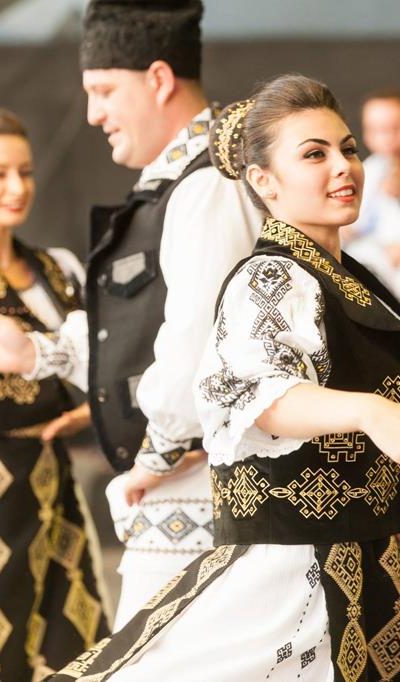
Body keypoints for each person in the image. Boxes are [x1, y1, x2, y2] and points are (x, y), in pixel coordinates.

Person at [46, 74, 400, 682]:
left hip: (370, 555)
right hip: (296, 573)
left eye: (346, 148)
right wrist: (369, 410)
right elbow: (256, 391)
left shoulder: (354, 276)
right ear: (263, 181)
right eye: (314, 154)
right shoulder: (269, 277)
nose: (343, 166)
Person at [0, 0, 260, 630]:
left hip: (195, 487)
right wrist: (40, 352)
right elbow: (140, 332)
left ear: (159, 79)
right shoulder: (182, 182)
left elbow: (197, 348)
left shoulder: (208, 183)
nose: (94, 113)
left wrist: (156, 456)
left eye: (104, 91)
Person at [0, 109, 109, 682]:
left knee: (72, 634)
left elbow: (108, 361)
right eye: (0, 175)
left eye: (25, 172)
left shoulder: (55, 269)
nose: (17, 188)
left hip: (51, 477)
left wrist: (93, 410)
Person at [344, 89, 400, 298]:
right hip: (379, 270)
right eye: (375, 130)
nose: (386, 138)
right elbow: (355, 225)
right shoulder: (371, 171)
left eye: (395, 128)